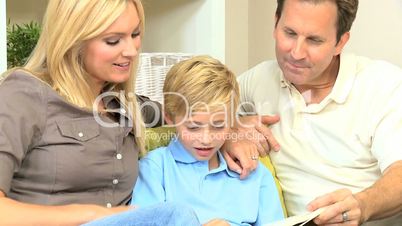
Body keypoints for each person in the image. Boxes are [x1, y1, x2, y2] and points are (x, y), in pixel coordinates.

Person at [0, 0, 200, 225]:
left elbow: (190, 116)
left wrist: (234, 135)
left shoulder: (124, 105)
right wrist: (95, 214)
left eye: (135, 34)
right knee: (174, 215)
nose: (132, 51)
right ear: (73, 40)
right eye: (113, 41)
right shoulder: (22, 94)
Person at [234, 0, 402, 225]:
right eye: (290, 33)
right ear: (275, 24)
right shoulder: (258, 79)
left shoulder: (383, 85)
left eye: (314, 40)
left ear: (340, 42)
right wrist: (229, 132)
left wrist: (362, 205)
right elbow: (186, 120)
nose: (296, 52)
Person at [128, 55, 283, 225]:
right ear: (170, 118)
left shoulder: (255, 172)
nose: (206, 139)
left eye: (218, 126)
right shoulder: (156, 168)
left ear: (232, 121)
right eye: (193, 127)